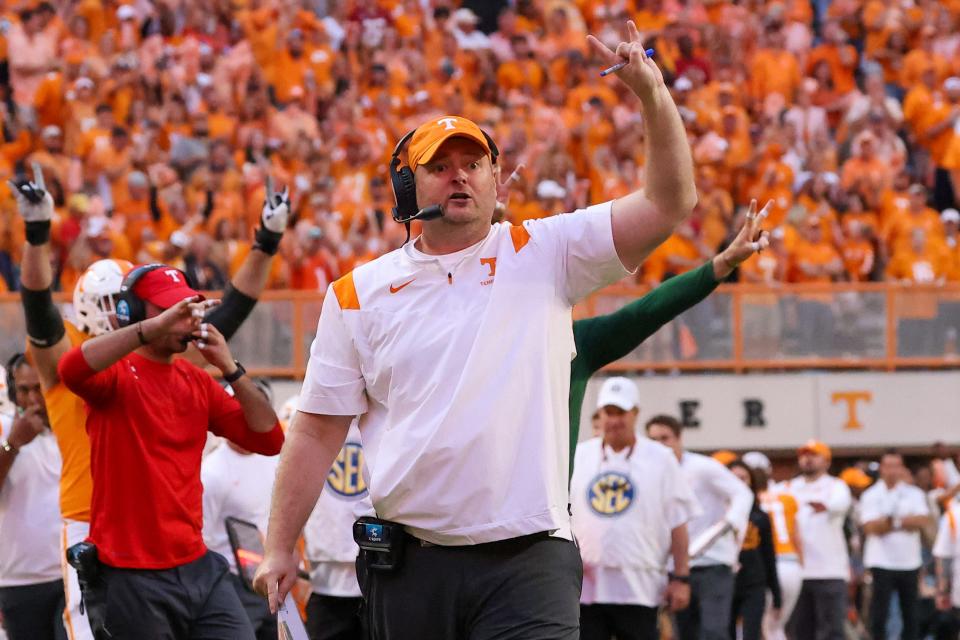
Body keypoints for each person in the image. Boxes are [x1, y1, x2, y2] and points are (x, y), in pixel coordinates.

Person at [256, 20, 697, 639]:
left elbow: (670, 202)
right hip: (411, 562)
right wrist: (279, 546)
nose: (459, 175)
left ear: (497, 180)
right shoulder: (357, 293)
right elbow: (315, 430)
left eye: (474, 163)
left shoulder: (544, 251)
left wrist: (653, 96)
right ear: (408, 187)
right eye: (439, 166)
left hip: (530, 557)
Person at [7, 165, 289, 640]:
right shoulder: (80, 362)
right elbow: (36, 304)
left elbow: (233, 309)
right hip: (97, 533)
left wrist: (265, 244)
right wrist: (37, 237)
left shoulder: (180, 370)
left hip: (178, 548)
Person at [57, 265, 285, 638]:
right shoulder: (115, 374)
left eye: (188, 309)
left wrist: (229, 367)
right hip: (129, 572)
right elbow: (71, 369)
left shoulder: (197, 381)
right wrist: (150, 329)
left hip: (196, 564)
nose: (184, 319)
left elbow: (269, 438)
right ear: (133, 312)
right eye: (170, 309)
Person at [567, 200, 770, 468]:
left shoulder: (576, 341)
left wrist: (724, 261)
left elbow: (651, 310)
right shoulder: (500, 339)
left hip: (549, 503)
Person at [571, 378, 701, 640]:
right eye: (609, 412)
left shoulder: (660, 458)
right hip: (587, 587)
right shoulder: (579, 455)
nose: (614, 420)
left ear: (636, 414)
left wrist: (681, 578)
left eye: (621, 412)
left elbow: (678, 522)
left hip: (640, 587)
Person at [645, 415, 753, 640]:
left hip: (712, 562)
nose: (660, 445)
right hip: (674, 567)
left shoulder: (703, 467)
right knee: (684, 632)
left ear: (679, 438)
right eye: (653, 440)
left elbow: (742, 493)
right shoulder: (647, 473)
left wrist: (731, 524)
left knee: (713, 631)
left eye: (665, 438)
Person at [201, 378, 281, 640]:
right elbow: (204, 539)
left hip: (275, 577)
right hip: (233, 583)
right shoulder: (212, 472)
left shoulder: (278, 459)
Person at [0, 355, 64, 640]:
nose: (34, 398)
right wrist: (13, 444)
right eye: (24, 390)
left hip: (70, 575)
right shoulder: (3, 428)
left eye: (39, 387)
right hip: (19, 581)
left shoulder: (72, 427)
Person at [301, 403, 375, 640]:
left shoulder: (389, 418)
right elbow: (291, 493)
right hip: (324, 578)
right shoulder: (309, 421)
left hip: (381, 572)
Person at [782, 440, 852, 640]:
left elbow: (840, 503)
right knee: (801, 630)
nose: (808, 459)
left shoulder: (836, 486)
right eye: (804, 455)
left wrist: (825, 506)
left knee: (831, 630)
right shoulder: (789, 488)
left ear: (827, 461)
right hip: (798, 571)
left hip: (829, 571)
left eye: (814, 455)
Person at [859, 449, 932, 640]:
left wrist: (891, 522)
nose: (892, 471)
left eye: (896, 466)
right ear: (882, 468)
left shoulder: (913, 493)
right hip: (881, 560)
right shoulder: (871, 495)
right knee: (879, 613)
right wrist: (903, 522)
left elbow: (922, 520)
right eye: (889, 466)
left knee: (911, 613)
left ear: (902, 468)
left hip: (909, 561)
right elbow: (870, 527)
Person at [741, 451, 804, 640]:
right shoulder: (786, 496)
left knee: (755, 628)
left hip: (763, 567)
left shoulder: (743, 500)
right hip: (791, 564)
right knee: (776, 628)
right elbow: (797, 537)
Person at [727, 460, 781, 640]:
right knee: (725, 632)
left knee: (752, 633)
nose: (739, 482)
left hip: (754, 583)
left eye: (743, 478)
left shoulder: (760, 516)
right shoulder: (719, 514)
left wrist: (776, 592)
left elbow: (769, 554)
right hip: (726, 582)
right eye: (734, 478)